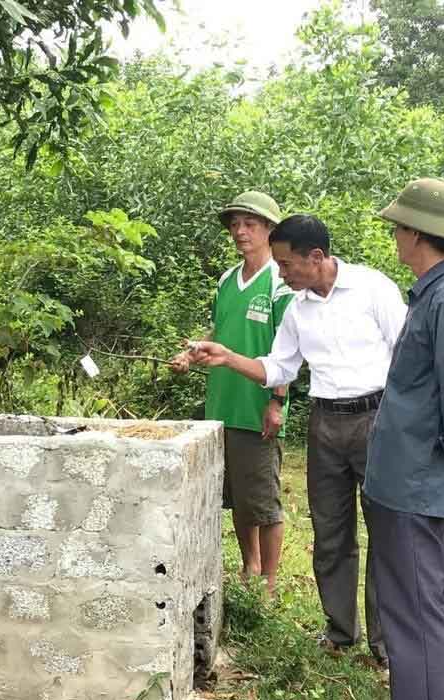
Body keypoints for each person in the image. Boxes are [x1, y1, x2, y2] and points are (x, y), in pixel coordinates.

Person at [187, 213, 407, 665]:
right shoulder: (300, 307)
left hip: (378, 419)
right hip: (325, 424)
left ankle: (386, 644)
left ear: (317, 257)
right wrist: (228, 357)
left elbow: (408, 353)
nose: (282, 274)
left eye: (287, 265)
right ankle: (340, 632)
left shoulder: (373, 289)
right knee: (331, 533)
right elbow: (278, 368)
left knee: (385, 533)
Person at [362, 177, 444, 700]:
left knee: (419, 605)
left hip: (415, 478)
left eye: (398, 228)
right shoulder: (433, 294)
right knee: (413, 600)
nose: (395, 238)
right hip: (400, 477)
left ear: (418, 233)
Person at [170, 191, 292, 596]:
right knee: (237, 498)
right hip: (220, 404)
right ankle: (249, 568)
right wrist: (192, 353)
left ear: (270, 230)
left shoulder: (280, 282)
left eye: (250, 224)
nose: (241, 232)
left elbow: (287, 348)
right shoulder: (226, 280)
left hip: (256, 405)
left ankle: (271, 584)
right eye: (235, 225)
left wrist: (277, 401)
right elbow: (219, 333)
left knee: (263, 499)